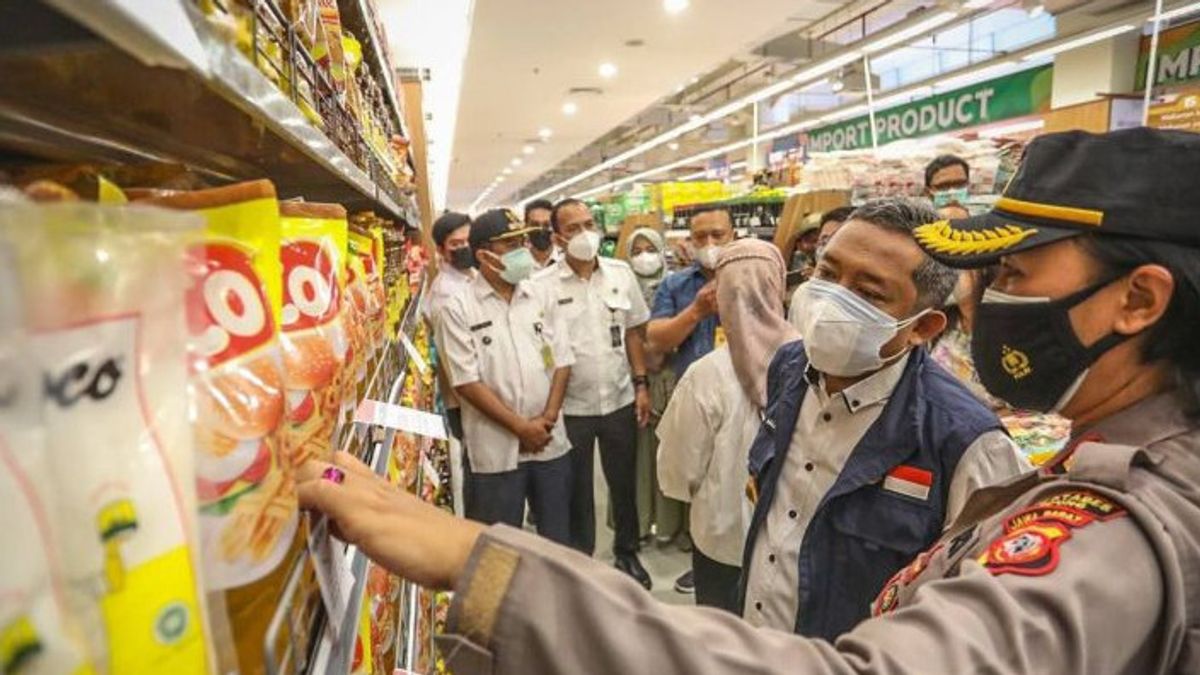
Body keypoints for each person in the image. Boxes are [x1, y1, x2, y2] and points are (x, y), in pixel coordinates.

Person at [286, 126, 1200, 675]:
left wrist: (482, 563)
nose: (985, 299)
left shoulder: (1118, 530)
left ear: (1140, 300)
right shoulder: (798, 378)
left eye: (1014, 271)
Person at [741, 197, 1029, 638]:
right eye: (827, 273)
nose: (830, 300)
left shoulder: (968, 443)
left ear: (922, 327)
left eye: (869, 293)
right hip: (761, 640)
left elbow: (988, 611)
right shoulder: (789, 367)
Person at [657, 239, 798, 612]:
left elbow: (679, 470)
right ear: (779, 286)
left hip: (723, 539)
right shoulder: (814, 360)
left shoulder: (706, 374)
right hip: (793, 544)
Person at [531, 199, 653, 588]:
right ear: (556, 238)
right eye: (573, 228)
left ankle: (627, 551)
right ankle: (581, 561)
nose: (585, 234)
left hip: (618, 397)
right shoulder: (541, 287)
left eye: (588, 224)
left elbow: (634, 332)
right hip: (571, 406)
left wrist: (641, 383)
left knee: (623, 482)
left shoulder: (620, 274)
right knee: (577, 488)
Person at [435, 208, 573, 544]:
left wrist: (548, 418)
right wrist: (520, 427)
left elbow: (563, 360)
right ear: (483, 255)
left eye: (521, 241)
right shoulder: (457, 306)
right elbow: (465, 381)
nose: (523, 250)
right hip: (495, 451)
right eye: (509, 245)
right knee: (498, 549)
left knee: (557, 541)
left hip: (549, 442)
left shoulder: (540, 293)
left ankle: (554, 598)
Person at [645, 204, 735, 593]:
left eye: (718, 235)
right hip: (692, 402)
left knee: (735, 481)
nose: (710, 244)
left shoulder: (754, 277)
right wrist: (697, 311)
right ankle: (702, 561)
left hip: (745, 400)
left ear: (733, 235)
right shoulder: (676, 285)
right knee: (697, 483)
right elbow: (657, 339)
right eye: (701, 237)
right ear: (689, 242)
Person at [625, 228, 686, 545]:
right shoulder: (621, 288)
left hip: (673, 378)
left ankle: (672, 525)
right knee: (641, 459)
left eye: (651, 248)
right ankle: (641, 522)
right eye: (637, 250)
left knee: (672, 454)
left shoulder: (677, 286)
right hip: (635, 382)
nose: (644, 256)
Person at [423, 211, 474, 442]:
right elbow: (456, 366)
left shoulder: (471, 277)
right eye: (456, 243)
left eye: (468, 241)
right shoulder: (446, 296)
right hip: (467, 404)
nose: (465, 247)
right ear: (441, 250)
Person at [787, 206, 854, 327]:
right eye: (824, 241)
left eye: (836, 239)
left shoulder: (866, 299)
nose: (828, 248)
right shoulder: (804, 294)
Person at [524, 199, 558, 270]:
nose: (541, 229)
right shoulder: (517, 265)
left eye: (547, 225)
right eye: (534, 224)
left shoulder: (567, 260)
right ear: (525, 227)